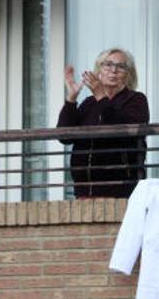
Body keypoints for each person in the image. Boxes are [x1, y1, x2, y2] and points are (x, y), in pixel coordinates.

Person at [57, 48, 150, 198]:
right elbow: (64, 137)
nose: (113, 70)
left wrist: (101, 96)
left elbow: (120, 131)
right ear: (99, 70)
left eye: (121, 66)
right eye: (108, 64)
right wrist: (71, 99)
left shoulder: (136, 99)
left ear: (129, 74)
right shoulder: (89, 103)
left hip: (120, 191)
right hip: (84, 191)